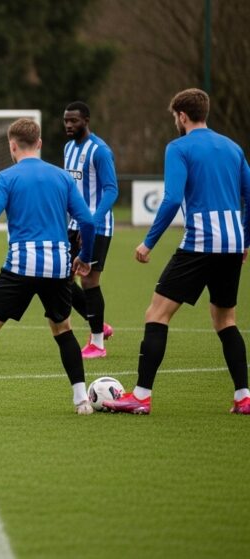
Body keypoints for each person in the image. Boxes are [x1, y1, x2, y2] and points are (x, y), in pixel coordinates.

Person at [105, 88, 250, 416]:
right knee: (225, 319)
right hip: (231, 242)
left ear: (182, 116)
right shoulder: (233, 147)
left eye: (175, 117)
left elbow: (171, 199)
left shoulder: (179, 147)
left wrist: (148, 242)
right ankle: (243, 397)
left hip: (200, 242)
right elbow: (249, 196)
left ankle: (141, 396)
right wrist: (245, 241)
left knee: (157, 314)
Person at [0, 118, 96, 417]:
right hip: (58, 263)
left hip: (21, 263)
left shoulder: (6, 177)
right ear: (39, 143)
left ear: (12, 146)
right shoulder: (63, 177)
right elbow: (88, 222)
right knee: (63, 329)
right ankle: (82, 401)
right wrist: (86, 257)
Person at [62, 101, 119, 358]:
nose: (69, 125)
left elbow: (111, 190)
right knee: (60, 277)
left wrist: (92, 222)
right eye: (66, 121)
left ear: (86, 120)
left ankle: (97, 343)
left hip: (97, 226)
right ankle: (99, 323)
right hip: (73, 225)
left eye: (73, 121)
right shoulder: (68, 148)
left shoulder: (100, 151)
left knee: (88, 279)